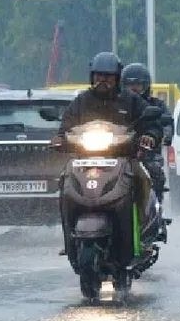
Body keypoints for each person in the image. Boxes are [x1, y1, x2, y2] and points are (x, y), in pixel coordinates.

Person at [53, 51, 161, 259]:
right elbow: (66, 125)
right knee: (64, 181)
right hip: (84, 159)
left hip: (124, 158)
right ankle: (69, 239)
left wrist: (149, 135)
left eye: (108, 77)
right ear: (91, 77)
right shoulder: (81, 101)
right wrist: (59, 138)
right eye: (98, 76)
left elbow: (152, 123)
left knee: (141, 179)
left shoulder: (130, 100)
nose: (102, 81)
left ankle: (142, 233)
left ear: (117, 78)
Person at [120, 61, 173, 213]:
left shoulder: (155, 105)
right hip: (119, 151)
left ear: (146, 86)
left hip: (146, 152)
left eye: (138, 85)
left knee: (154, 171)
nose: (134, 89)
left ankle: (154, 210)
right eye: (129, 85)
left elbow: (166, 122)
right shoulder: (117, 105)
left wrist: (162, 135)